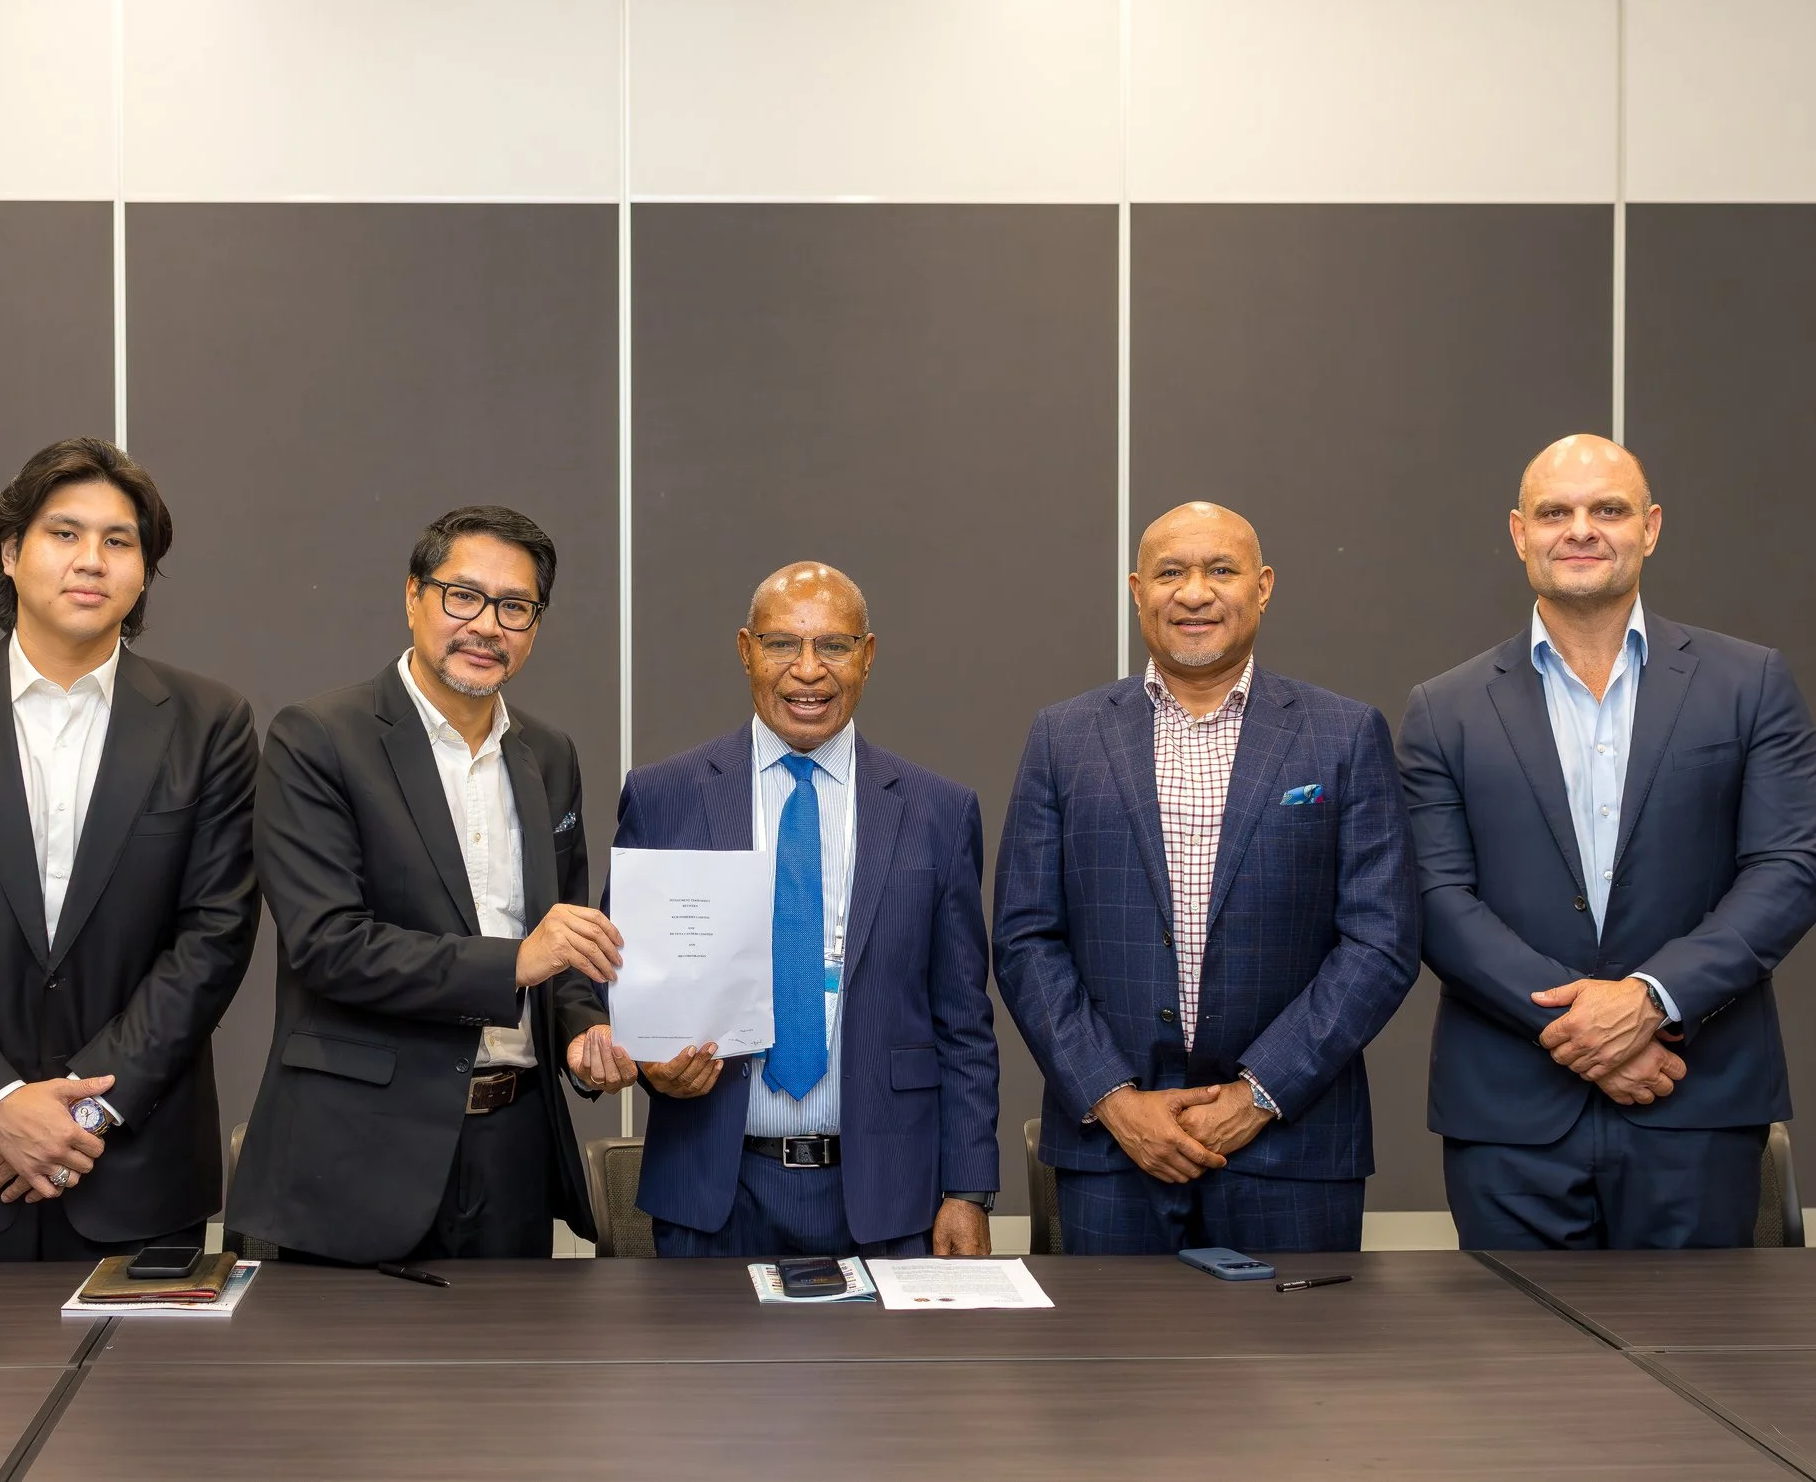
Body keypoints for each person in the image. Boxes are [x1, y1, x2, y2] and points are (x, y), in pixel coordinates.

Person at [1401, 435, 1816, 1250]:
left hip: (1696, 1096)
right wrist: (1584, 1031)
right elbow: (1436, 899)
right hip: (1510, 1116)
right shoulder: (1443, 708)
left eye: (1609, 509)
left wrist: (1648, 999)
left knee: (1702, 1368)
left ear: (1652, 527)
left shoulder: (1751, 683)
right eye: (1555, 512)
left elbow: (1789, 870)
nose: (1581, 529)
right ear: (1520, 532)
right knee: (1523, 1373)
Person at [0, 437, 258, 1260]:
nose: (90, 560)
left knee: (141, 1393)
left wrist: (82, 1114)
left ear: (143, 572)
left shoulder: (209, 722)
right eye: (64, 533)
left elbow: (214, 937)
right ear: (10, 551)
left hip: (132, 1167)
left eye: (119, 540)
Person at [994, 503, 1419, 1254]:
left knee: (1293, 1370)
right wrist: (1116, 1100)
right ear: (1136, 590)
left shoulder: (1344, 734)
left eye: (1220, 570)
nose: (1195, 592)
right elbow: (1028, 938)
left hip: (1293, 1148)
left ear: (1263, 586)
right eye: (1170, 572)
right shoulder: (1064, 737)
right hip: (1113, 1155)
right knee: (1117, 1371)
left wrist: (1259, 1095)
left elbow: (1381, 940)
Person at [228, 506, 633, 1263]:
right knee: (353, 1384)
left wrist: (584, 1028)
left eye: (515, 607)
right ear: (413, 596)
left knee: (517, 1381)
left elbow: (563, 937)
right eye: (463, 596)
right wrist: (513, 962)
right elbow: (327, 945)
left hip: (514, 1143)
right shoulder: (317, 738)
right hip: (357, 1151)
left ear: (535, 626)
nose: (487, 624)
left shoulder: (548, 753)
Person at [613, 563, 998, 1259]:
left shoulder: (937, 811)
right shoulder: (664, 797)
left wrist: (967, 1190)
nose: (808, 671)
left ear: (869, 655)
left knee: (890, 1376)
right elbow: (617, 979)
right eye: (782, 643)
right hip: (713, 1192)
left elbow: (964, 1020)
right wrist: (646, 1061)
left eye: (835, 645)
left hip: (888, 1200)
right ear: (745, 650)